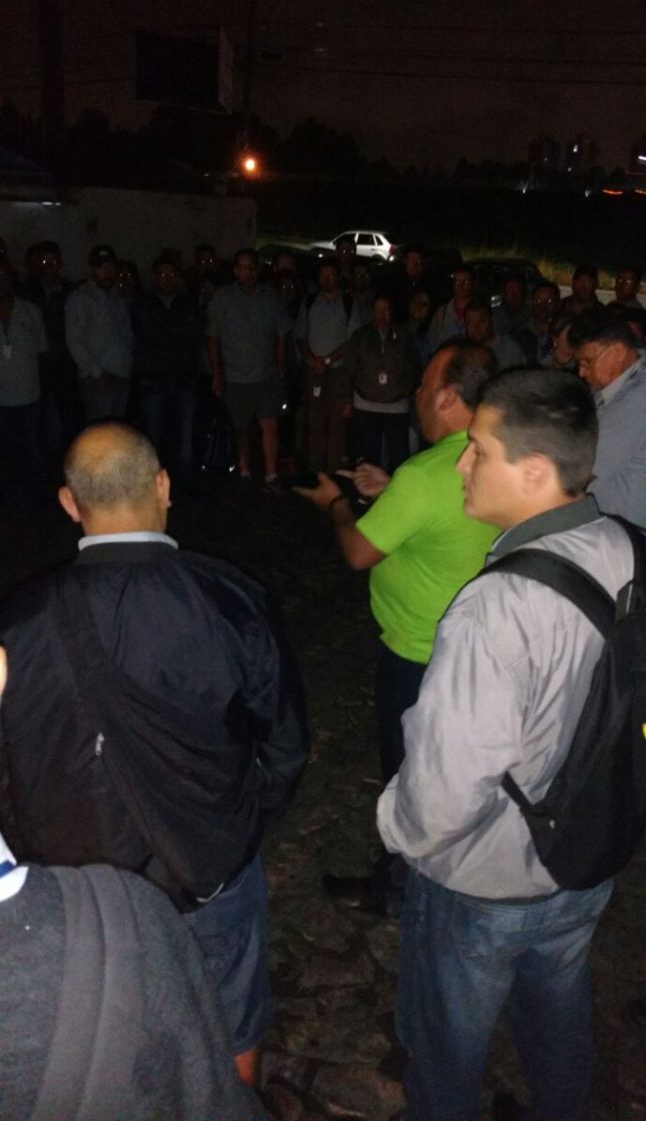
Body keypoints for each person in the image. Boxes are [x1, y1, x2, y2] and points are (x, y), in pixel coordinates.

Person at [377, 367, 646, 1121]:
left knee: (445, 1049)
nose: (460, 465)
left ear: (535, 470)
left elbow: (443, 791)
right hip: (588, 855)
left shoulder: (496, 605)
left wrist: (398, 833)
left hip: (485, 882)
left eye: (476, 450)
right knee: (558, 1010)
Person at [0, 422, 308, 1088]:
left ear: (68, 503)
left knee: (105, 1048)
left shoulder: (19, 620)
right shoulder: (231, 600)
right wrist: (236, 825)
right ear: (163, 486)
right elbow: (282, 745)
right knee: (230, 1023)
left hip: (81, 895)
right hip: (208, 872)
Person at [0, 644, 264, 1120]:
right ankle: (247, 1086)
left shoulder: (29, 622)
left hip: (101, 855)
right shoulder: (119, 922)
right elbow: (275, 734)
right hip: (137, 879)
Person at [296, 340, 499, 913]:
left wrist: (336, 504)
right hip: (473, 649)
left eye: (422, 385)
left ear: (450, 395)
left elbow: (359, 552)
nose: (413, 396)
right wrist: (391, 490)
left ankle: (400, 889)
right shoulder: (494, 455)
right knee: (452, 769)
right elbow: (447, 515)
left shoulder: (428, 470)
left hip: (417, 656)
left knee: (409, 779)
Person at [567, 312, 646, 555]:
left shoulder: (642, 398)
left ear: (617, 351)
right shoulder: (632, 382)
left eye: (587, 362)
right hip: (624, 537)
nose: (582, 372)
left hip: (633, 546)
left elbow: (582, 469)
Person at [206, 247, 290, 488]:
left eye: (251, 267)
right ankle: (244, 469)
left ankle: (271, 472)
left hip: (266, 375)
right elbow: (212, 338)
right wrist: (217, 375)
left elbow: (281, 335)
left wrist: (280, 369)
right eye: (242, 267)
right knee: (240, 427)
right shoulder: (223, 298)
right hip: (236, 376)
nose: (247, 272)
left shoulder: (270, 297)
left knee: (269, 424)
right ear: (235, 270)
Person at [132, 254, 202, 477]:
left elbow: (194, 333)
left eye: (172, 274)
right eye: (163, 274)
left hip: (184, 377)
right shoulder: (143, 304)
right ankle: (154, 478)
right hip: (154, 379)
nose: (167, 279)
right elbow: (149, 334)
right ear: (154, 277)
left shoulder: (188, 302)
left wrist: (170, 330)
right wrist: (176, 330)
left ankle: (185, 478)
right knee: (154, 434)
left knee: (186, 434)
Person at [295, 256, 362, 471]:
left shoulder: (348, 303)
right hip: (314, 371)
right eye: (323, 276)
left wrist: (328, 359)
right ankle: (315, 470)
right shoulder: (309, 302)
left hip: (337, 372)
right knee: (314, 421)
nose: (327, 280)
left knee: (336, 423)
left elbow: (352, 340)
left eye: (331, 275)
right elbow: (300, 335)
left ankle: (333, 471)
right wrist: (312, 359)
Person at [342, 292, 419, 472]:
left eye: (386, 310)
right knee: (369, 456)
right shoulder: (360, 335)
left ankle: (397, 494)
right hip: (366, 404)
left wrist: (406, 391)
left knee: (399, 454)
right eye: (378, 310)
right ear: (371, 312)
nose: (382, 314)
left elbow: (414, 367)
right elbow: (349, 368)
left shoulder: (404, 335)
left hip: (397, 406)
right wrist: (347, 398)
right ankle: (368, 496)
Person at [17, 239, 80, 448]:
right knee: (39, 415)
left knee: (69, 414)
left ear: (61, 263)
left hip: (65, 362)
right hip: (37, 364)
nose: (49, 268)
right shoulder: (25, 291)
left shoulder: (71, 291)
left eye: (53, 262)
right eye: (44, 263)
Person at [65, 244, 133, 421]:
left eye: (111, 268)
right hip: (98, 379)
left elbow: (126, 334)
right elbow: (75, 340)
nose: (107, 272)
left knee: (118, 431)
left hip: (121, 374)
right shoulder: (80, 298)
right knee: (99, 433)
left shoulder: (118, 298)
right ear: (93, 270)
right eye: (102, 268)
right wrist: (96, 372)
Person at [0, 254, 48, 504]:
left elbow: (41, 349)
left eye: (3, 276)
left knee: (30, 448)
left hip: (29, 392)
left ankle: (32, 497)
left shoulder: (30, 311)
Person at [463, 297, 525, 369]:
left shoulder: (510, 349)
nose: (475, 327)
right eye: (470, 322)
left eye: (481, 321)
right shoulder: (462, 353)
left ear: (491, 321)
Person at [428, 266, 476, 351]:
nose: (461, 285)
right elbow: (432, 344)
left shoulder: (482, 312)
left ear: (472, 284)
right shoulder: (441, 314)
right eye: (457, 282)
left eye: (466, 282)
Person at [515, 279, 561, 365]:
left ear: (558, 304)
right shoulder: (519, 333)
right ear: (532, 302)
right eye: (538, 301)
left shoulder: (563, 335)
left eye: (549, 301)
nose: (543, 306)